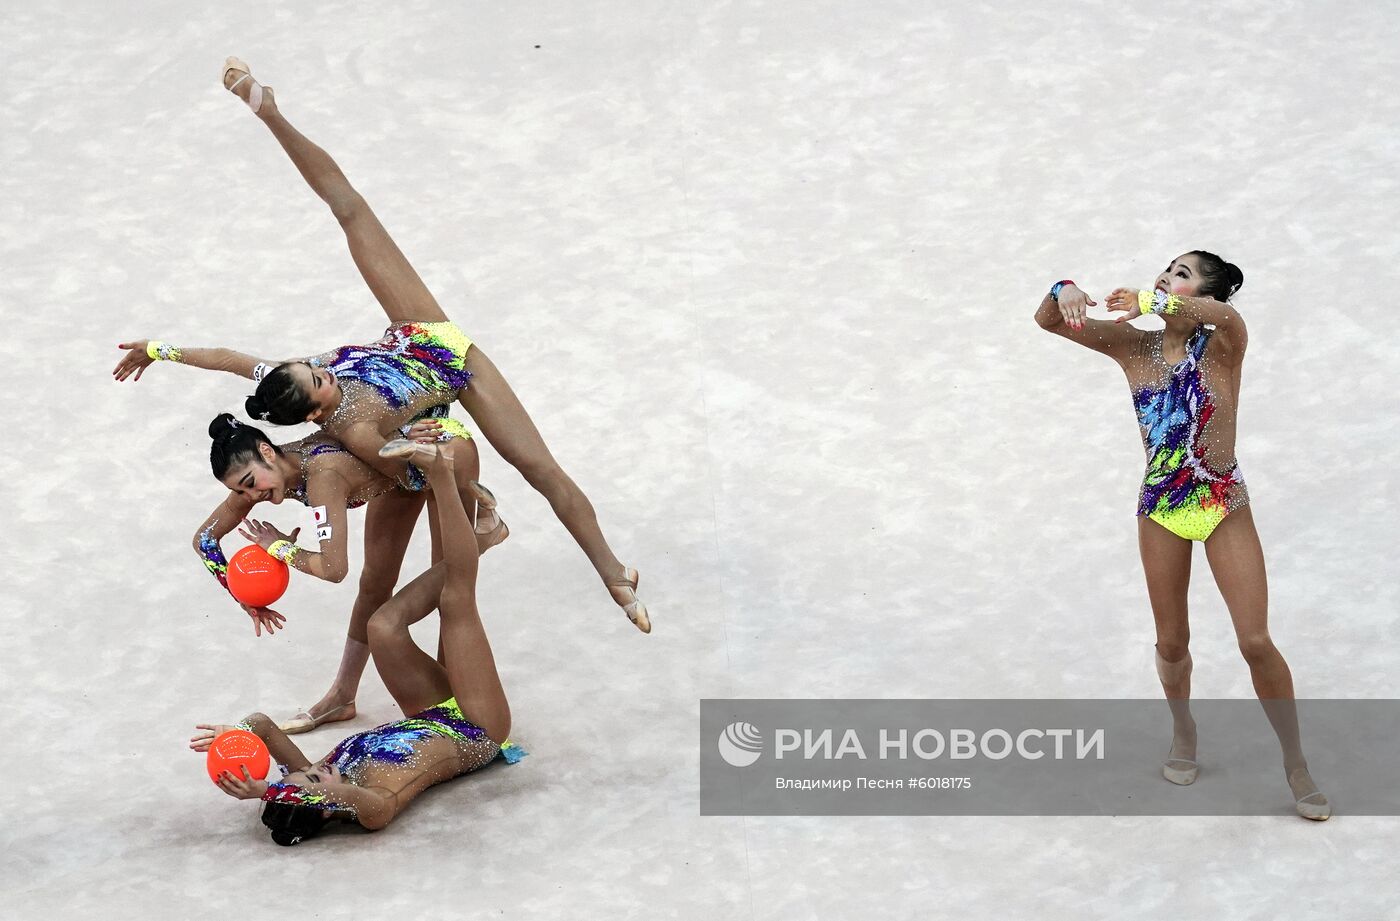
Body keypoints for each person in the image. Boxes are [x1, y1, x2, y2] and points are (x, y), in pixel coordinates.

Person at [113, 56, 650, 632]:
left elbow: (225, 359)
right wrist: (247, 581)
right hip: (454, 374)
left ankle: (270, 112)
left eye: (312, 367)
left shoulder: (283, 384)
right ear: (315, 411)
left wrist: (159, 350)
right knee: (534, 468)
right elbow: (407, 475)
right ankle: (590, 567)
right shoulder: (354, 432)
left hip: (419, 332)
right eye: (320, 382)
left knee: (350, 210)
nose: (322, 371)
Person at [1035, 252, 1329, 820]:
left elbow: (1227, 316)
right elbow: (1049, 320)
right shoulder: (1133, 347)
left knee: (1255, 641)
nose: (1168, 276)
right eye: (1167, 269)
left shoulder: (1223, 343)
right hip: (1162, 508)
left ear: (1206, 294)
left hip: (1222, 504)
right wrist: (1062, 287)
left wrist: (1154, 301)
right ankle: (1183, 728)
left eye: (1183, 274)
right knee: (1172, 642)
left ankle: (1296, 761)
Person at [190, 442, 523, 845]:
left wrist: (235, 736)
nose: (318, 768)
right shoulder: (375, 806)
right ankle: (444, 480)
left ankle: (483, 538)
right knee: (455, 597)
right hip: (478, 727)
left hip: (431, 711)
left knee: (381, 626)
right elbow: (336, 796)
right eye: (315, 781)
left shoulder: (321, 773)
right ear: (326, 806)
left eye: (303, 773)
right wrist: (270, 793)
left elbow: (261, 724)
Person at [193, 411, 505, 733]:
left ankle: (456, 697)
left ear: (267, 452)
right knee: (374, 584)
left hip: (443, 449)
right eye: (240, 492)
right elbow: (204, 540)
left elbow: (333, 569)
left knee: (451, 583)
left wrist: (279, 548)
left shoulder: (322, 476)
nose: (250, 497)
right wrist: (244, 597)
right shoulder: (261, 475)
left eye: (249, 485)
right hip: (399, 470)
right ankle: (342, 696)